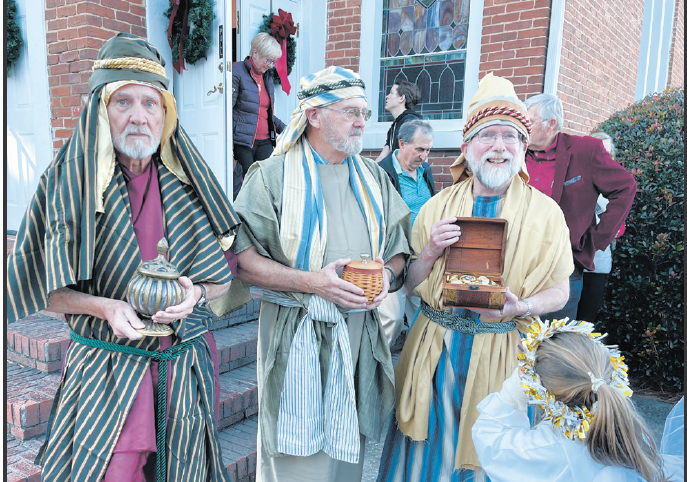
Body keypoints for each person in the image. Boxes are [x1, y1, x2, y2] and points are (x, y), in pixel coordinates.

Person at [6, 33, 248, 481]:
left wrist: (196, 293)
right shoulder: (66, 186)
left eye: (150, 103)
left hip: (184, 364)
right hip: (107, 367)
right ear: (101, 111)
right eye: (123, 103)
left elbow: (223, 278)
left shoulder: (191, 186)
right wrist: (105, 306)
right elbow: (47, 291)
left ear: (165, 114)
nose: (139, 116)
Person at [377, 73, 575, 482]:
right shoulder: (436, 207)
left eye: (511, 136)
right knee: (426, 457)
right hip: (435, 356)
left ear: (523, 147)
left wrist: (525, 306)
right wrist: (431, 250)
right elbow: (410, 283)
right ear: (467, 147)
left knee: (491, 458)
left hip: (505, 359)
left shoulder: (547, 214)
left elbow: (560, 290)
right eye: (488, 135)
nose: (499, 146)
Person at [229, 66, 412, 482]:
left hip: (359, 334)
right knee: (299, 459)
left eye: (364, 112)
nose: (362, 122)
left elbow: (400, 248)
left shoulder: (372, 177)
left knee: (347, 452)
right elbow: (241, 258)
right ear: (313, 115)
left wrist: (386, 277)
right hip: (297, 332)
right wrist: (314, 283)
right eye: (350, 111)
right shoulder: (271, 177)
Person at [473, 318, 675, 482]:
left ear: (538, 388)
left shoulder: (539, 449)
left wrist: (514, 389)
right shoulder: (630, 432)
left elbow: (490, 438)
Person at [524, 94, 637, 321]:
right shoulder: (516, 152)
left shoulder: (585, 151)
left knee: (554, 343)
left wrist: (596, 239)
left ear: (551, 124)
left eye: (529, 122)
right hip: (518, 263)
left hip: (563, 266)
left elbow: (625, 187)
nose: (522, 128)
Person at [377, 119, 436, 347]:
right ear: (401, 143)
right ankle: (375, 374)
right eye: (419, 149)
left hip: (422, 256)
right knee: (390, 321)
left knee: (423, 319)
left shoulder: (425, 170)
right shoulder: (383, 172)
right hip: (394, 256)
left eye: (428, 150)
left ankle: (414, 371)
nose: (425, 156)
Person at [576, 132, 623, 322]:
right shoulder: (573, 179)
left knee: (585, 323)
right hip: (570, 265)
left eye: (607, 154)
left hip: (597, 266)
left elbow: (619, 229)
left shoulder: (616, 187)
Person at [232, 32, 287, 188]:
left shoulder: (267, 77)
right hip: (244, 142)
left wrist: (288, 130)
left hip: (265, 141)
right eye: (268, 60)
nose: (270, 65)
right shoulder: (237, 71)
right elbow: (228, 111)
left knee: (267, 183)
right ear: (255, 52)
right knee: (251, 184)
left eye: (273, 61)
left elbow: (267, 114)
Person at [375, 80, 422, 162]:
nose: (387, 96)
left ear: (401, 98)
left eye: (391, 93)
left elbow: (414, 155)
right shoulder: (394, 126)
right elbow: (383, 156)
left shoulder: (411, 122)